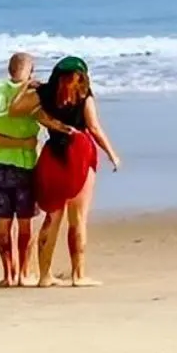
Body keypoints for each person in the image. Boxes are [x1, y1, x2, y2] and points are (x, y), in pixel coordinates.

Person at [30, 56, 121, 288]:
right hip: (78, 153)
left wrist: (49, 119)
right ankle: (78, 275)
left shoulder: (44, 95)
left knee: (52, 217)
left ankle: (44, 276)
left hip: (52, 155)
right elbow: (94, 128)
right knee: (78, 218)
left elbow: (22, 109)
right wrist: (112, 153)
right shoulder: (84, 97)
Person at [0, 52, 43, 287]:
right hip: (25, 164)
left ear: (9, 69)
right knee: (25, 223)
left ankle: (8, 274)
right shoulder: (33, 92)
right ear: (31, 70)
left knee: (3, 223)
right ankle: (24, 273)